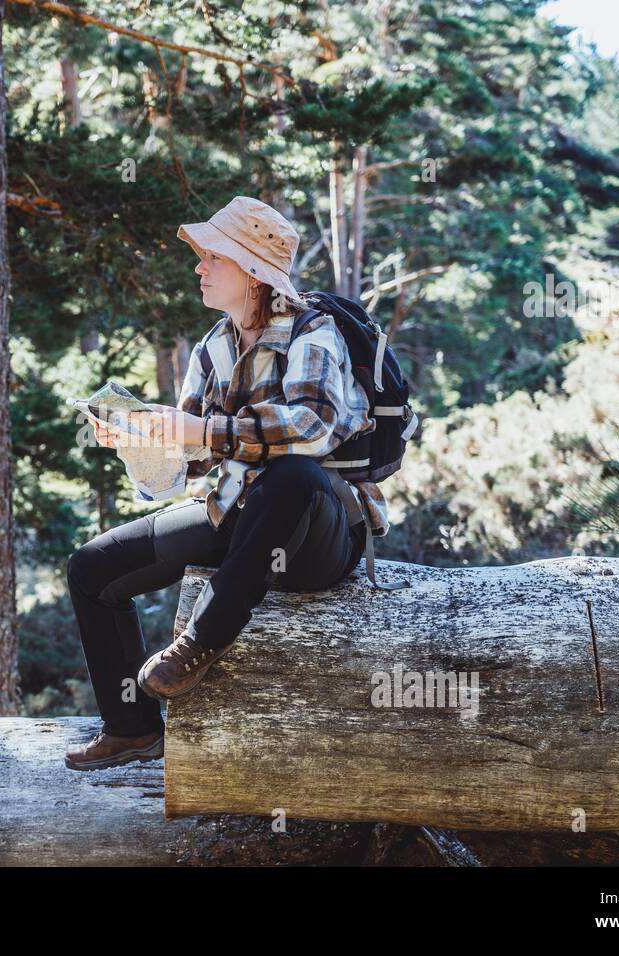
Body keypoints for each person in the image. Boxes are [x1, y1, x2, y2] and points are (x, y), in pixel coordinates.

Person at [63, 195, 382, 771]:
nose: (199, 266)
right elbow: (191, 463)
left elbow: (311, 429)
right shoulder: (214, 345)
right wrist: (144, 438)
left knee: (292, 474)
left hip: (318, 534)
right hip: (238, 513)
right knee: (92, 569)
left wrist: (200, 429)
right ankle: (132, 728)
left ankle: (204, 639)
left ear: (254, 273)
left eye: (213, 256)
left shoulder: (315, 333)